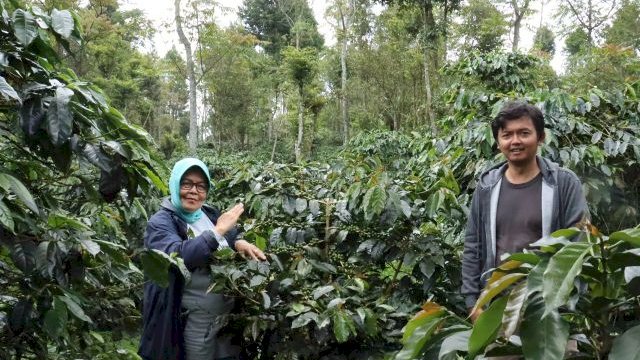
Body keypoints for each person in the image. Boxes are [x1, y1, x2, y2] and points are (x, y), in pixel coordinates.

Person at [461, 101, 588, 322]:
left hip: (551, 310)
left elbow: (580, 244)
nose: (515, 141)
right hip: (498, 309)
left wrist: (567, 307)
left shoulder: (563, 183)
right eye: (507, 135)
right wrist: (473, 304)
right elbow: (473, 246)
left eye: (524, 133)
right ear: (498, 141)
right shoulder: (486, 188)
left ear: (540, 137)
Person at [139, 158, 266, 360]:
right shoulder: (160, 222)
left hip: (225, 320)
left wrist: (239, 242)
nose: (194, 191)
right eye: (186, 183)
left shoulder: (208, 213)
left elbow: (229, 237)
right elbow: (176, 257)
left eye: (201, 186)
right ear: (174, 184)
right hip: (192, 320)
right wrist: (218, 231)